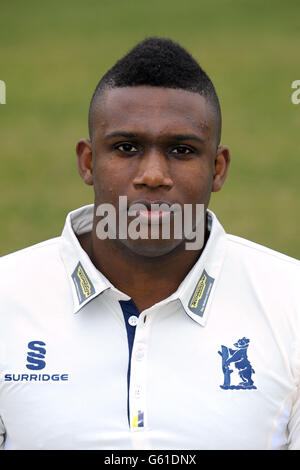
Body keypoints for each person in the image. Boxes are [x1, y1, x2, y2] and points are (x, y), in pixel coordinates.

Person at [0, 37, 299, 451]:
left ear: (218, 168)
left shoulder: (291, 301)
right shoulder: (6, 297)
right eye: (127, 148)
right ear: (88, 162)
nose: (154, 175)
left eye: (181, 150)